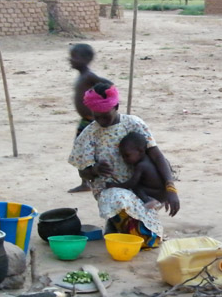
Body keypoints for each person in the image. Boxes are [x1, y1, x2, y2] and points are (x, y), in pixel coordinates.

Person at [68, 83, 179, 249]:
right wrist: (95, 170)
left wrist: (171, 189)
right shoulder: (89, 134)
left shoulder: (134, 124)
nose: (100, 121)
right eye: (96, 116)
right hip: (111, 190)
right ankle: (119, 222)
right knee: (121, 201)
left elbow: (157, 156)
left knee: (144, 226)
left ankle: (122, 223)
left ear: (116, 107)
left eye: (105, 116)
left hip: (144, 188)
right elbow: (83, 173)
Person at [67, 43, 110, 193]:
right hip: (85, 120)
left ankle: (89, 180)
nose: (70, 60)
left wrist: (102, 103)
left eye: (74, 57)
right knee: (81, 149)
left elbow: (108, 85)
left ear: (86, 59)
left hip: (91, 121)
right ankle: (85, 181)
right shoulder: (83, 77)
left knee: (87, 150)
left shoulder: (89, 76)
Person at [106, 131, 169, 209]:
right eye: (122, 156)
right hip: (163, 192)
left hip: (157, 193)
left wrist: (116, 185)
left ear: (141, 151)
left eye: (127, 155)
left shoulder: (141, 166)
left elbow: (132, 183)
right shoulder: (149, 160)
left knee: (136, 187)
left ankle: (147, 201)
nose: (124, 159)